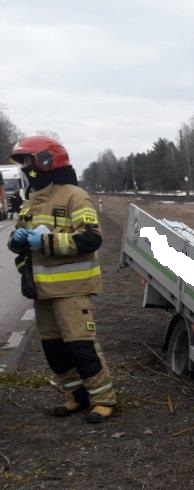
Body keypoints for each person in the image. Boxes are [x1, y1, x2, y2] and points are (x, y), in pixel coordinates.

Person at [6, 136, 116, 423]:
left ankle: (103, 399)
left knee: (81, 347)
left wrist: (46, 241)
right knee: (54, 351)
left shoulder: (74, 196)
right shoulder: (31, 201)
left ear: (45, 161)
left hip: (72, 290)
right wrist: (17, 240)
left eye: (27, 161)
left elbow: (91, 238)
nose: (25, 167)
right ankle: (76, 397)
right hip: (42, 291)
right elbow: (18, 237)